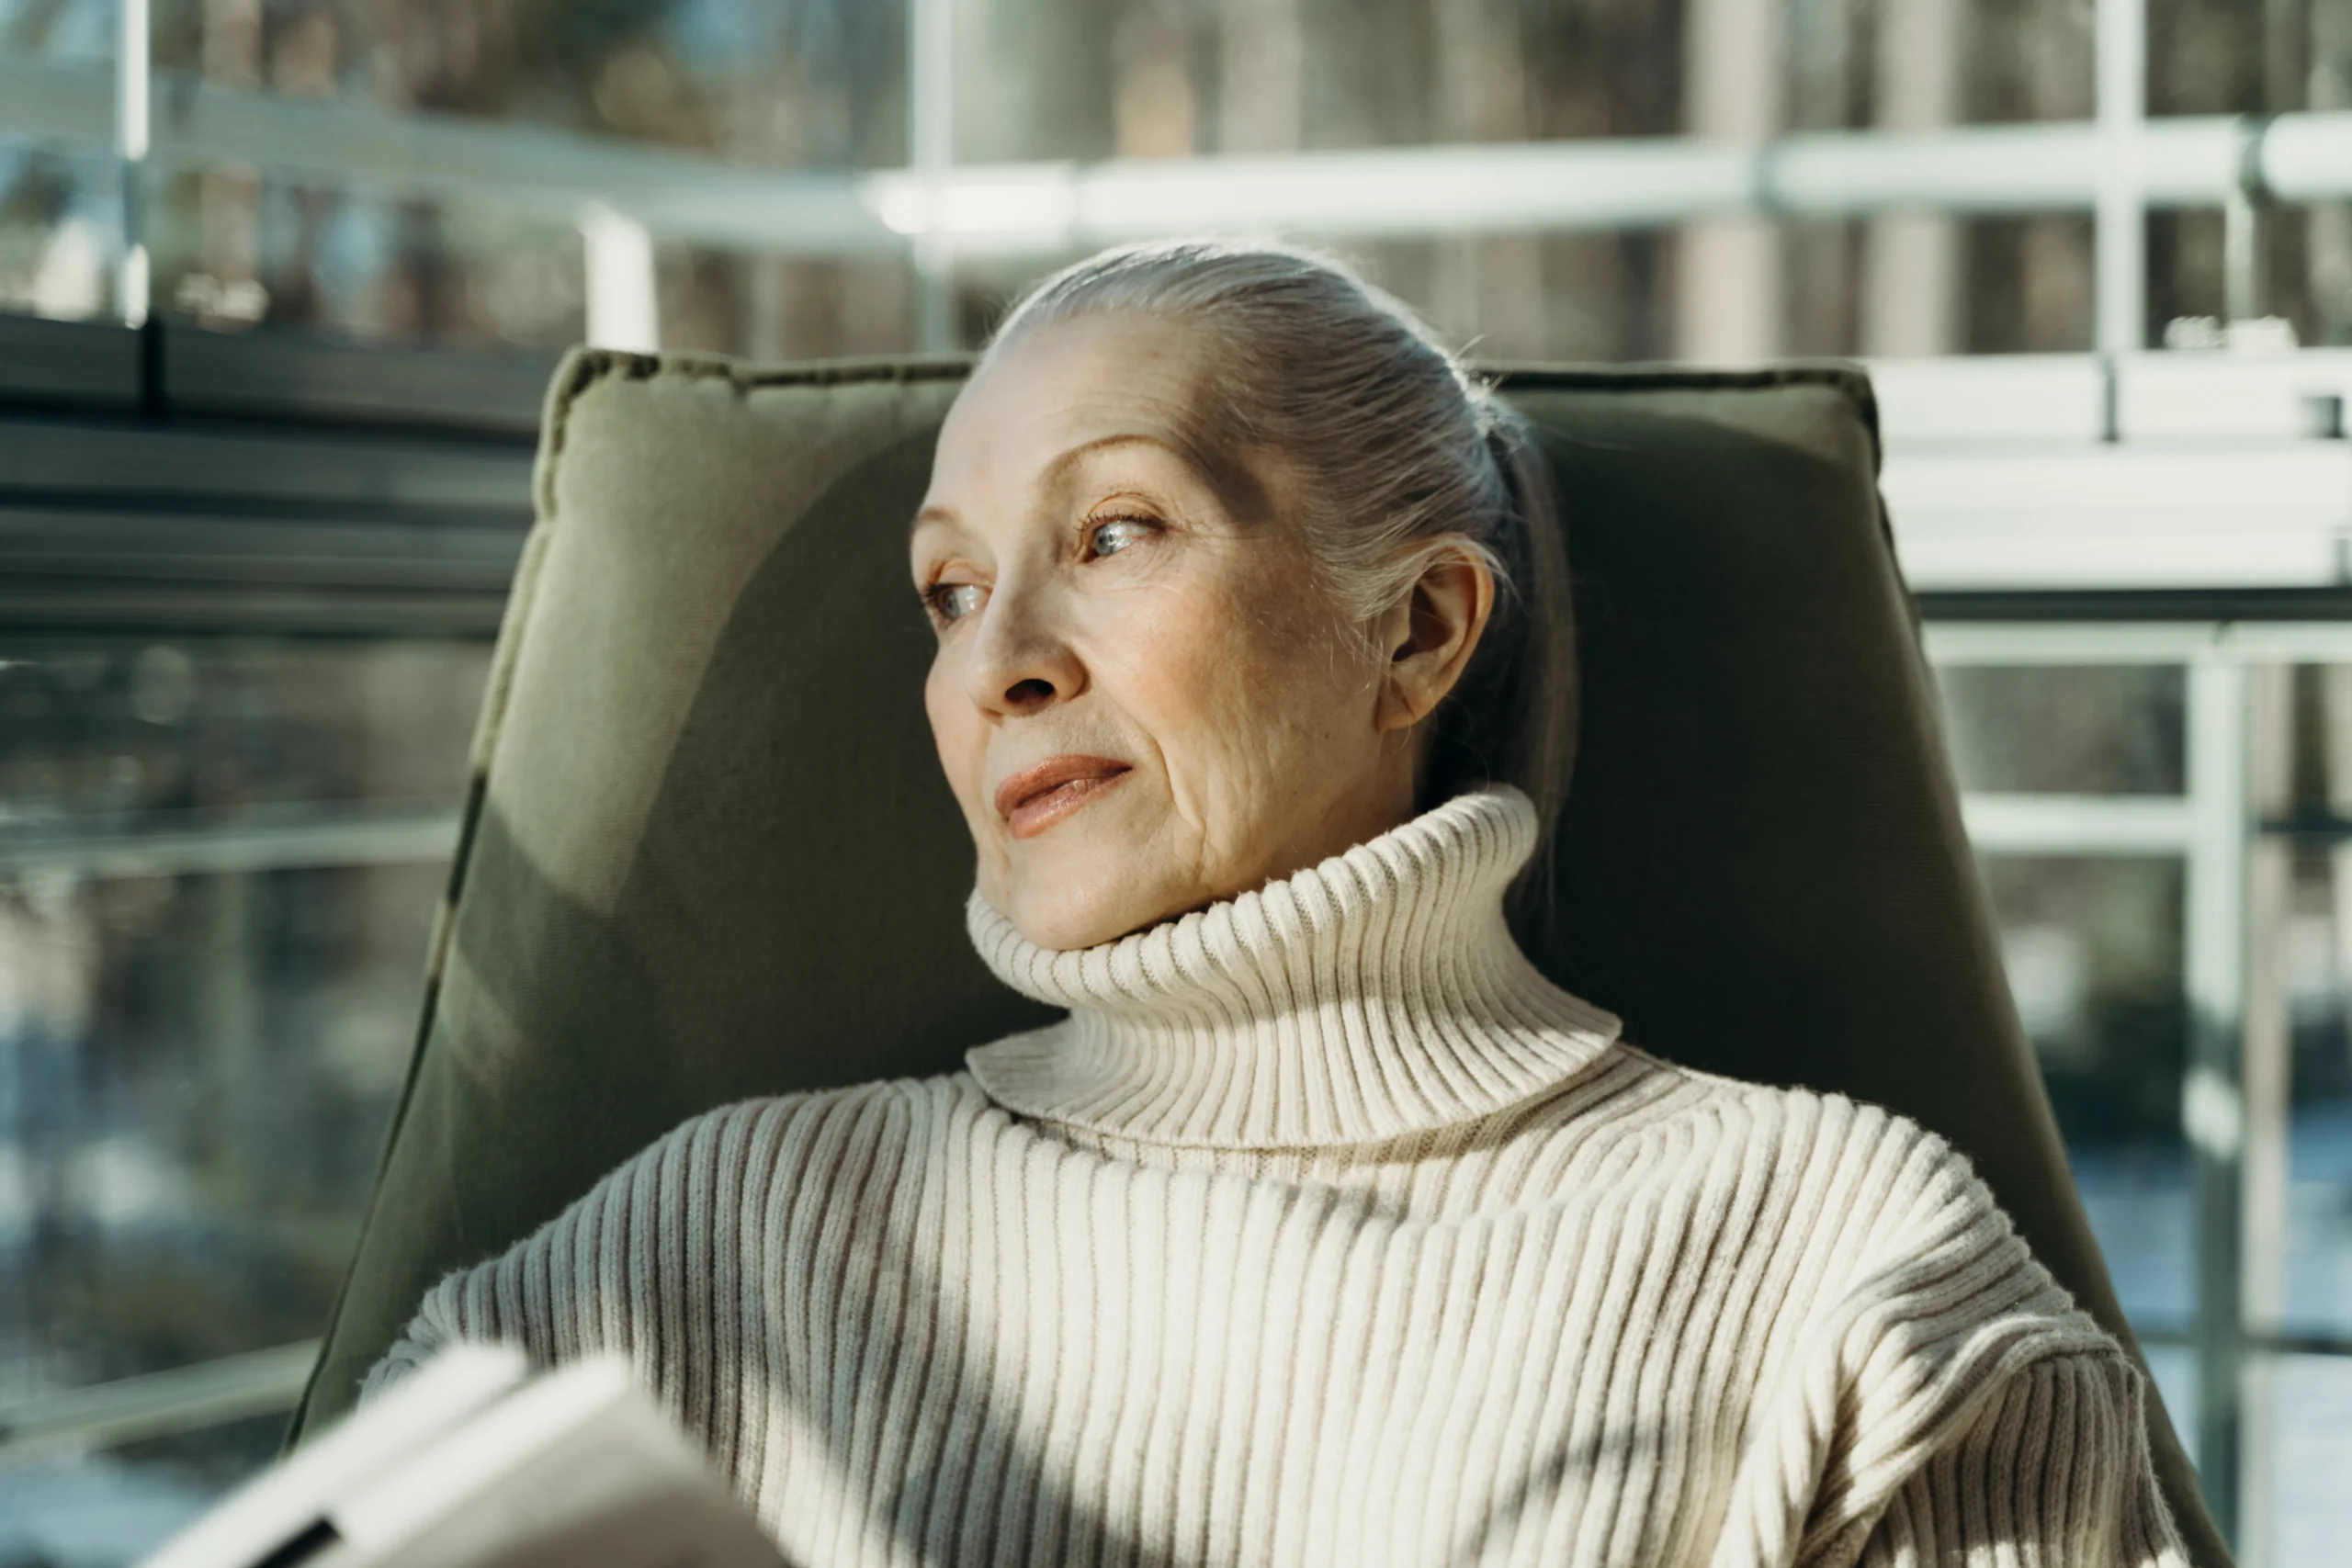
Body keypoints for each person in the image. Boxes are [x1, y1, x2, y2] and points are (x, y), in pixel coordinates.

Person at [367, 241, 2187, 1567]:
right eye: (944, 588)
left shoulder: (1846, 1278)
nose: (993, 659)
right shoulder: (697, 1251)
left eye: (1113, 533)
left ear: (1412, 629)